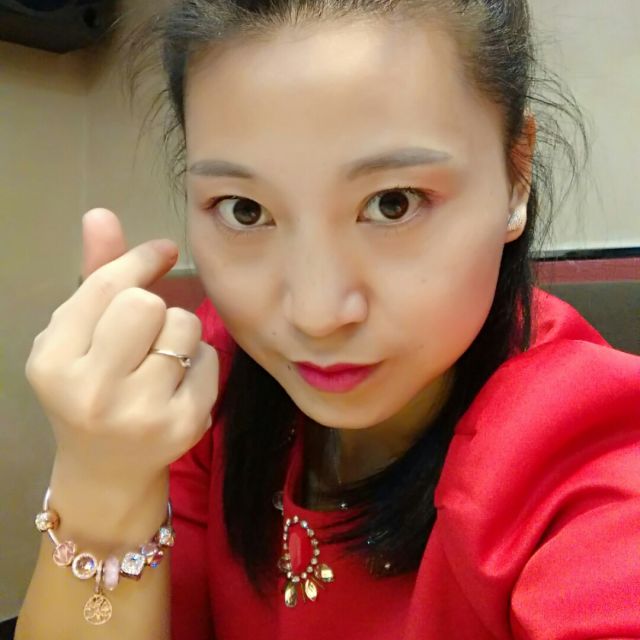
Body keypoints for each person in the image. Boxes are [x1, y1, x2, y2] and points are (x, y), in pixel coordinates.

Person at [16, 0, 640, 638]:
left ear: (516, 176)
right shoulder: (206, 378)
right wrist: (103, 485)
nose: (315, 315)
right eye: (244, 210)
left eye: (393, 203)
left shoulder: (584, 449)